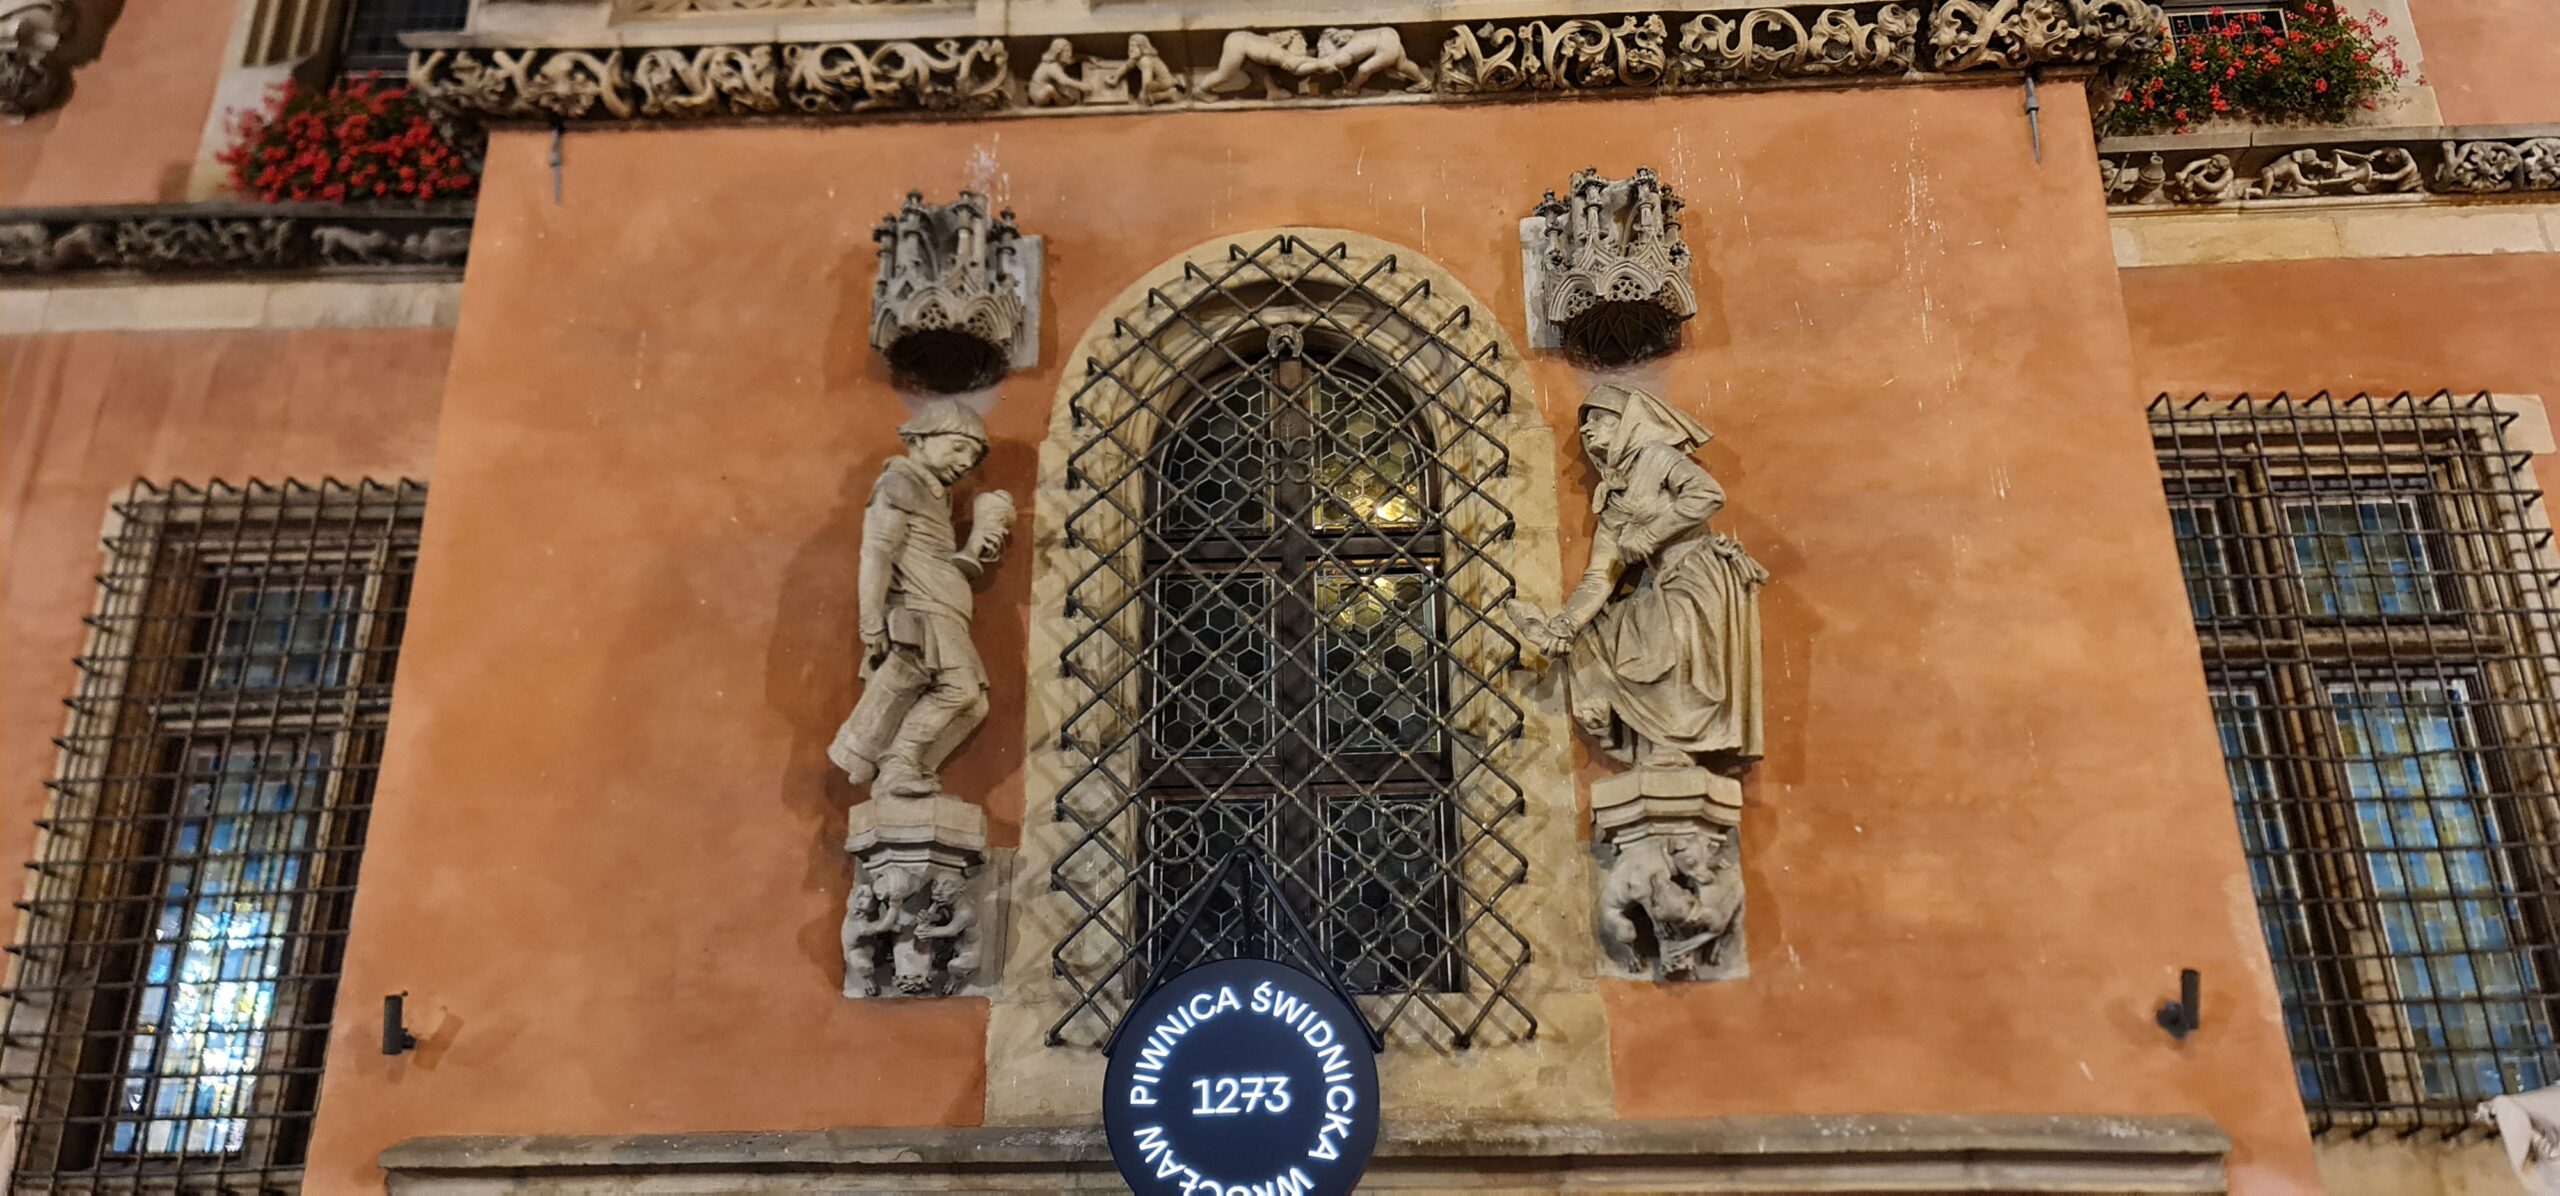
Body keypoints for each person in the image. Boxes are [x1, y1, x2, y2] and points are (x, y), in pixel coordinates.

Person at [1518, 384, 1766, 772]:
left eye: (1598, 419)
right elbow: (1600, 576)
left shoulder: (1657, 457)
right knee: (1596, 634)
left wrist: (1650, 534)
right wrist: (1565, 625)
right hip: (1662, 583)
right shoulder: (1613, 503)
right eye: (1584, 424)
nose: (1586, 429)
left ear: (1628, 423)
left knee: (1664, 630)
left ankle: (1677, 742)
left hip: (1696, 571)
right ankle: (1624, 720)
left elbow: (1708, 494)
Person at [829, 401, 1011, 797]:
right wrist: (871, 622)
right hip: (924, 610)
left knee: (975, 706)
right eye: (958, 447)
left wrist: (973, 549)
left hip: (944, 609)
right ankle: (898, 764)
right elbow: (877, 551)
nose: (965, 463)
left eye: (973, 455)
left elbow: (930, 556)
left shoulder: (935, 495)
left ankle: (914, 770)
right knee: (960, 690)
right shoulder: (899, 485)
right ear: (922, 438)